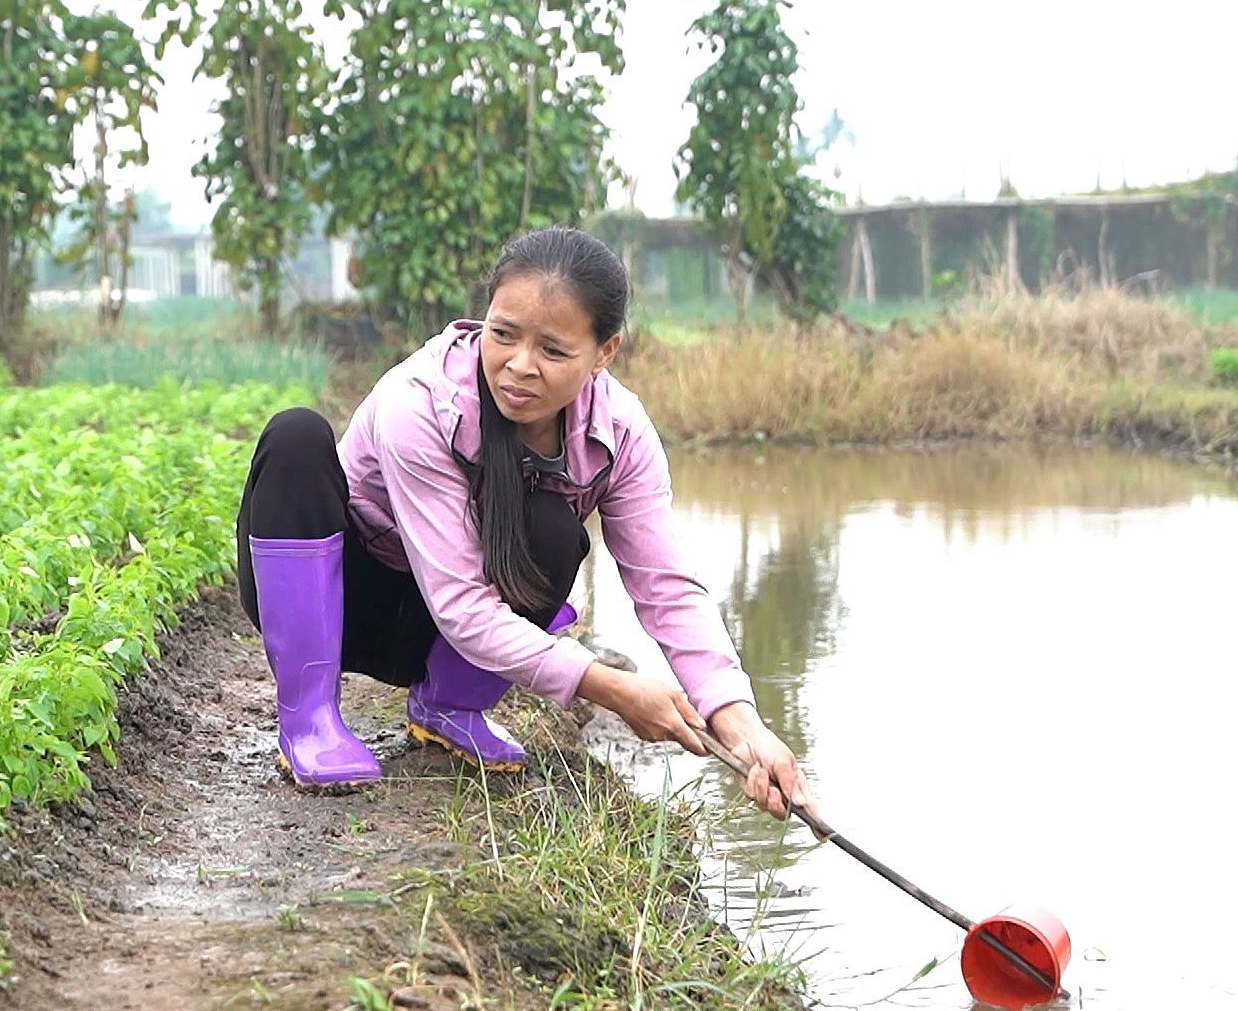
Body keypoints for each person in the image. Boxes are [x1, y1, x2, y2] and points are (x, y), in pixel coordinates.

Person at [235, 226, 814, 820]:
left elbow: (666, 587)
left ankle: (448, 704)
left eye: (554, 351)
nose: (519, 366)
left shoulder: (618, 432)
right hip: (343, 605)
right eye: (503, 334)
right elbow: (461, 604)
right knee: (296, 437)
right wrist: (610, 687)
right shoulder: (418, 402)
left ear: (605, 352)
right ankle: (309, 718)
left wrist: (741, 724)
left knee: (556, 530)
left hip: (437, 638)